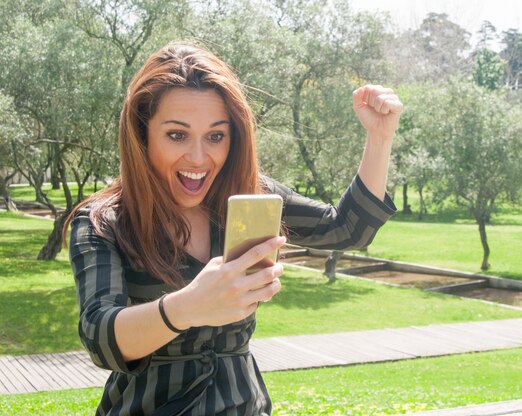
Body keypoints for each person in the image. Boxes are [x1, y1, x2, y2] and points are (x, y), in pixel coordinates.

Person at [65, 41, 402, 416]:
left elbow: (345, 229)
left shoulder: (252, 197)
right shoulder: (102, 222)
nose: (198, 157)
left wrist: (380, 137)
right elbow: (100, 336)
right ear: (142, 135)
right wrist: (187, 307)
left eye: (216, 136)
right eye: (177, 135)